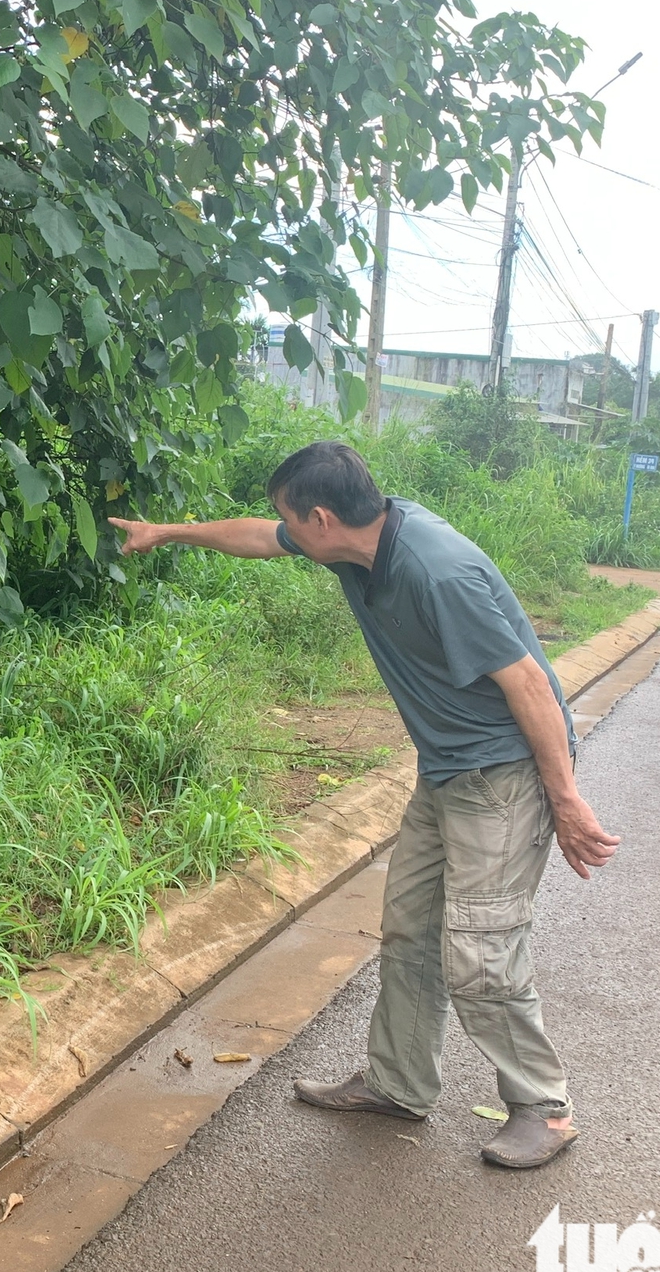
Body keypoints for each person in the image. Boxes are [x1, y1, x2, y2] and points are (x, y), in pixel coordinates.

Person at [110, 442, 619, 1170]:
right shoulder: (353, 544)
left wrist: (564, 801)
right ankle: (399, 1085)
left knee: (479, 953)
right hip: (447, 773)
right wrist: (167, 532)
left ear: (322, 516)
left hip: (503, 778)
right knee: (411, 932)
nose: (284, 531)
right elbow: (258, 535)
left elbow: (531, 687)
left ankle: (545, 1107)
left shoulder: (438, 572)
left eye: (293, 518)